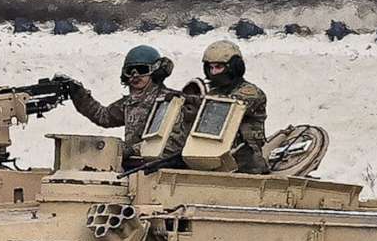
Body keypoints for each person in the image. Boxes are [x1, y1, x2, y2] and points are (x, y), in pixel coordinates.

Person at [53, 44, 191, 169]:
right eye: (130, 71)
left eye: (142, 70)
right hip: (134, 167)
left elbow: (172, 142)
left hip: (160, 168)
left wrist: (132, 150)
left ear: (155, 71)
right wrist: (78, 93)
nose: (135, 76)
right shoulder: (130, 103)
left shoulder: (169, 101)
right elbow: (104, 116)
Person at [195, 39, 271, 172]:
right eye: (210, 68)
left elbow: (229, 108)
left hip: (247, 163)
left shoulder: (250, 92)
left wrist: (197, 102)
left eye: (218, 67)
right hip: (216, 158)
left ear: (233, 67)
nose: (214, 73)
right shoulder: (213, 93)